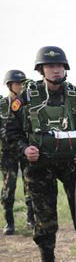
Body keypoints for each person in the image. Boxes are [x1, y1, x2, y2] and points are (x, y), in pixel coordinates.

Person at [5, 47, 76, 262]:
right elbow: (10, 130)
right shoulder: (26, 96)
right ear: (41, 70)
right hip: (39, 166)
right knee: (45, 222)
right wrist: (24, 148)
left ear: (66, 68)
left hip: (73, 165)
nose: (56, 70)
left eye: (60, 66)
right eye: (50, 66)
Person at [1, 69, 33, 234]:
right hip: (7, 152)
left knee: (30, 185)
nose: (21, 86)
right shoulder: (2, 105)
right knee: (9, 186)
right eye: (17, 83)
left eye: (22, 83)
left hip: (25, 149)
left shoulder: (28, 103)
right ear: (9, 85)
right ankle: (9, 222)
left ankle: (31, 220)